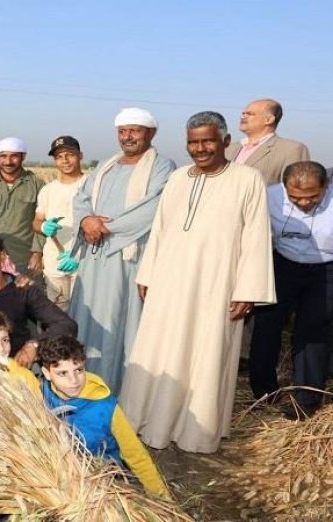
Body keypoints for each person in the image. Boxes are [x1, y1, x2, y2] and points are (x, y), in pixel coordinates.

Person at [120, 111, 276, 453]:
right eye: (193, 141)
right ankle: (146, 420)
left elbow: (256, 239)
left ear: (225, 141)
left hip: (217, 284)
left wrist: (248, 290)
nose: (199, 148)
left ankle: (195, 431)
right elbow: (160, 229)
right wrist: (148, 274)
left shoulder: (247, 179)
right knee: (158, 347)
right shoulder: (177, 178)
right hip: (168, 281)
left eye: (207, 140)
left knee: (205, 353)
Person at [65, 108, 175, 394]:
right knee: (86, 319)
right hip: (93, 258)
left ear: (151, 133)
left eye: (135, 131)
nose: (127, 137)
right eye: (123, 131)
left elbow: (154, 207)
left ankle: (119, 390)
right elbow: (81, 198)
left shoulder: (162, 167)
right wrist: (87, 220)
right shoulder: (106, 166)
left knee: (121, 324)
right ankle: (77, 384)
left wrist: (106, 230)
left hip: (129, 259)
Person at [38, 336, 170, 498]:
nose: (73, 381)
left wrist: (162, 497)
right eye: (62, 373)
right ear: (47, 374)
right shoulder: (40, 394)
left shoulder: (105, 407)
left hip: (103, 477)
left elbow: (135, 454)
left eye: (78, 370)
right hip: (59, 474)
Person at [250, 161, 332, 420]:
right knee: (267, 325)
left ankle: (306, 400)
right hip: (282, 265)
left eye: (312, 197)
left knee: (312, 332)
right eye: (296, 198)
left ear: (326, 187)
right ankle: (264, 391)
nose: (304, 203)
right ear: (284, 189)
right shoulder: (268, 195)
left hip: (325, 270)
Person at [0, 231, 77, 368]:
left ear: (3, 256)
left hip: (16, 366)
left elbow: (66, 325)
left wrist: (34, 345)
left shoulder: (23, 288)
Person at [0, 137, 45, 273]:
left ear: (23, 157)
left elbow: (42, 222)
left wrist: (37, 252)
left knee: (30, 293)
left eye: (14, 156)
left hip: (25, 258)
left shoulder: (37, 185)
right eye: (3, 156)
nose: (8, 162)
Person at [32, 136, 87, 310]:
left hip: (84, 262)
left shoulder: (91, 185)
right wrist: (43, 226)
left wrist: (78, 255)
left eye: (70, 155)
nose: (65, 160)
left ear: (80, 156)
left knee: (86, 314)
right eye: (59, 157)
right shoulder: (48, 190)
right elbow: (37, 221)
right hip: (55, 263)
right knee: (58, 315)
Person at [226, 98, 310, 185]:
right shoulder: (228, 148)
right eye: (243, 114)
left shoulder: (292, 149)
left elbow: (298, 188)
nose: (243, 116)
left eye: (250, 114)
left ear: (269, 120)